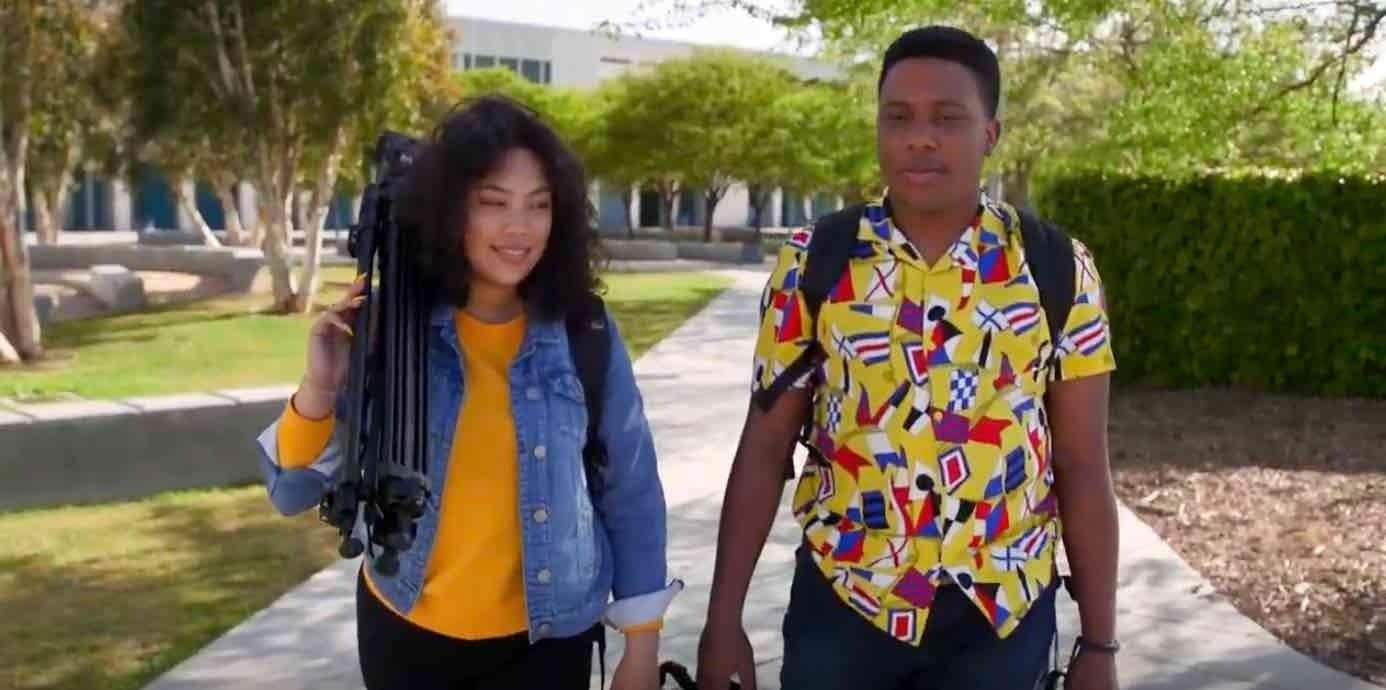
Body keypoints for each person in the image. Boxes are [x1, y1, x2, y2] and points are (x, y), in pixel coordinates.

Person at [697, 26, 1121, 690]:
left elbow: (1081, 464)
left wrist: (1100, 644)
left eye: (947, 118)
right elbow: (766, 442)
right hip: (845, 610)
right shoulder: (815, 262)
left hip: (1000, 618)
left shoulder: (1057, 268)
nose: (920, 137)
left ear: (991, 133)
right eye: (898, 118)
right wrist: (723, 621)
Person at [253, 95, 679, 690]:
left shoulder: (585, 333)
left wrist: (642, 643)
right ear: (453, 212)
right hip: (407, 635)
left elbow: (630, 490)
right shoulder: (392, 330)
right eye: (494, 203)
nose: (519, 228)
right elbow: (293, 491)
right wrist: (320, 386)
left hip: (547, 647)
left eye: (539, 206)